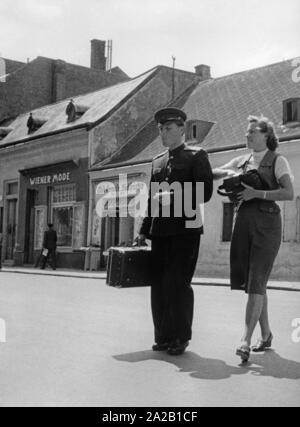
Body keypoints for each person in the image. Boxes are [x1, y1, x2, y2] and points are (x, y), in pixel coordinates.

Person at [213, 115, 294, 363]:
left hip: (267, 224)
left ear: (266, 135)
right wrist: (194, 166)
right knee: (253, 282)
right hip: (244, 222)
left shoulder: (278, 161)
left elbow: (289, 193)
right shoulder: (242, 160)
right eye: (246, 132)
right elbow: (216, 172)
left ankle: (245, 340)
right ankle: (267, 334)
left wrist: (256, 193)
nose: (247, 135)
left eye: (252, 132)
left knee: (257, 280)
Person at [137, 107, 213, 355]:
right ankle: (163, 336)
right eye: (160, 129)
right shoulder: (157, 161)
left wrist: (176, 196)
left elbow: (205, 192)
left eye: (168, 128)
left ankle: (180, 337)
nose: (163, 133)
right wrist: (143, 231)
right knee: (158, 284)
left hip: (186, 229)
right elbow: (152, 199)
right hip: (160, 230)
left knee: (178, 283)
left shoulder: (197, 155)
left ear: (182, 129)